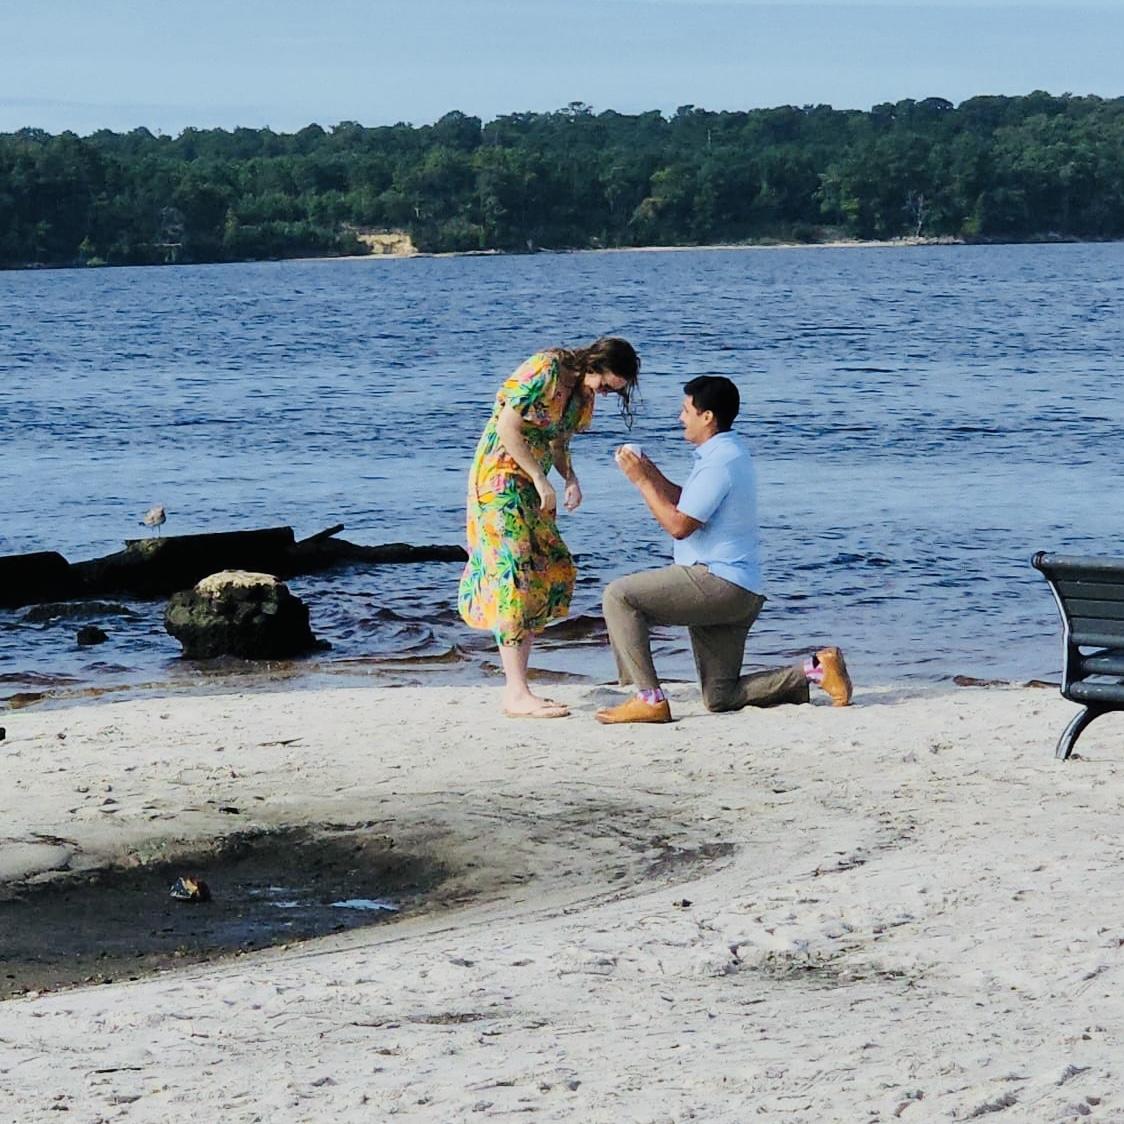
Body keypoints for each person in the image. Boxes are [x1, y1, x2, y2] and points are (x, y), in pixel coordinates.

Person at [595, 374, 851, 724]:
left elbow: (679, 526)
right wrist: (650, 473)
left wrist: (641, 482)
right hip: (739, 590)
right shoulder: (726, 453)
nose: (680, 417)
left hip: (719, 582)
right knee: (721, 697)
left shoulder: (720, 461)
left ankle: (649, 698)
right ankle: (816, 670)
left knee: (619, 596)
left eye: (686, 410)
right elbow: (689, 502)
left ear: (707, 417)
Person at [459, 338, 641, 718]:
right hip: (498, 479)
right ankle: (516, 692)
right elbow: (508, 428)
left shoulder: (582, 397)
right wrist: (542, 480)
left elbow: (558, 444)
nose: (605, 393)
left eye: (612, 391)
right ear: (595, 363)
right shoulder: (546, 369)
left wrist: (570, 479)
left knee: (544, 570)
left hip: (532, 483)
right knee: (514, 574)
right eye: (606, 385)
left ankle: (520, 687)